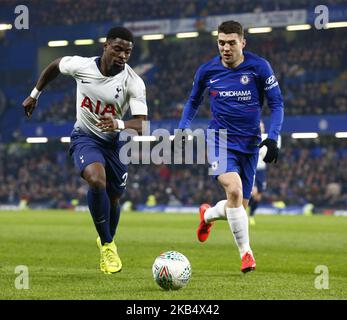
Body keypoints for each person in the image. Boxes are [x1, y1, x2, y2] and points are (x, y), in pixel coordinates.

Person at [22, 27, 148, 274]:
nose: (123, 55)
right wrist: (35, 94)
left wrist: (119, 123)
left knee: (114, 197)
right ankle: (108, 246)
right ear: (106, 46)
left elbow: (142, 124)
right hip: (85, 137)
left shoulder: (133, 82)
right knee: (96, 179)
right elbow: (56, 65)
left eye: (128, 52)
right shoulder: (81, 66)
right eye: (118, 49)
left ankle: (106, 238)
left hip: (115, 144)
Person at [176, 20, 284, 273]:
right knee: (234, 192)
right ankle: (246, 254)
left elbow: (277, 104)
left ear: (242, 43)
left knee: (239, 207)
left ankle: (207, 215)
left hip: (250, 144)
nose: (225, 48)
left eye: (231, 43)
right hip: (220, 139)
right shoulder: (207, 71)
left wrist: (272, 137)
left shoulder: (259, 67)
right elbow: (193, 101)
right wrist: (183, 127)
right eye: (221, 43)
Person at [249, 121, 282, 226]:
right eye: (259, 125)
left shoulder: (267, 138)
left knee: (258, 195)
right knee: (253, 192)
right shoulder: (252, 138)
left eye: (262, 125)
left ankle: (251, 215)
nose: (261, 127)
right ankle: (243, 208)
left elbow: (277, 140)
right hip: (252, 168)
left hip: (261, 170)